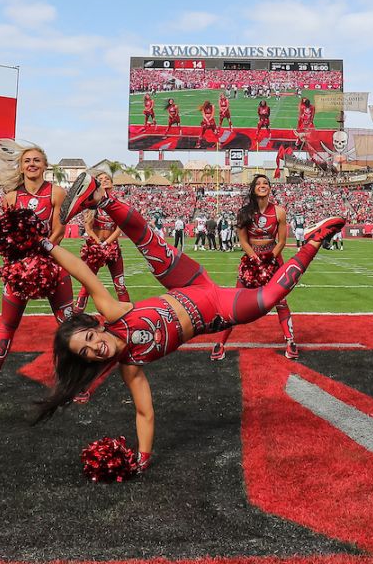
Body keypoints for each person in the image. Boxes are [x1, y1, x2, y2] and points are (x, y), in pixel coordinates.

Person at [32, 174, 345, 471]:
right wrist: (142, 458)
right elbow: (144, 412)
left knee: (148, 242)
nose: (94, 348)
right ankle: (315, 240)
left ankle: (99, 198)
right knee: (270, 297)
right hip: (216, 310)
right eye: (85, 353)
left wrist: (45, 245)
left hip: (188, 284)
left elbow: (81, 271)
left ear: (94, 326)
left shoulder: (113, 314)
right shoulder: (131, 364)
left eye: (87, 338)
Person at [0, 141, 78, 402]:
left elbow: (59, 231)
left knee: (69, 326)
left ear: (44, 165)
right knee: (6, 325)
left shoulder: (57, 193)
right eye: (27, 160)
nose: (32, 164)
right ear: (21, 166)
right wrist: (20, 263)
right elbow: (6, 233)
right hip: (20, 268)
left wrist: (40, 257)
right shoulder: (11, 197)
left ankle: (75, 383)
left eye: (37, 160)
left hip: (52, 263)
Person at [210, 175, 299, 361]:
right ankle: (220, 343)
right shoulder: (244, 212)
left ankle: (290, 341)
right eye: (258, 184)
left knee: (280, 302)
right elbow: (243, 240)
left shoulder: (279, 212)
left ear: (270, 188)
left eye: (265, 183)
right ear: (253, 189)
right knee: (234, 302)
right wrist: (255, 259)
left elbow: (282, 241)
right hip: (251, 259)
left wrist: (269, 259)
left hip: (273, 258)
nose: (262, 186)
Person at [75, 172, 131, 312]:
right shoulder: (92, 203)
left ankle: (129, 315)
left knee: (120, 285)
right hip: (95, 248)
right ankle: (76, 317)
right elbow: (88, 227)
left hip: (113, 248)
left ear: (112, 183)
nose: (104, 180)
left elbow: (120, 228)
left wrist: (107, 244)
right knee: (87, 285)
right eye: (100, 179)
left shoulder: (119, 203)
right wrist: (99, 244)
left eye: (107, 178)